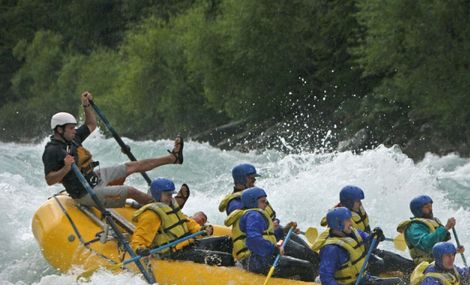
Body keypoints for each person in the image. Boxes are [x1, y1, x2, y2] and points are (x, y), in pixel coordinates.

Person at [43, 91, 184, 208]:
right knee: (130, 191)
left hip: (94, 178)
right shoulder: (52, 150)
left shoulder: (72, 138)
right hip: (85, 193)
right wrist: (66, 168)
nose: (75, 131)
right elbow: (49, 180)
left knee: (132, 166)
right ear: (59, 130)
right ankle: (164, 209)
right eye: (71, 128)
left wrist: (86, 105)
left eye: (74, 127)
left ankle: (173, 158)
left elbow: (91, 124)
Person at [219, 163, 318, 265]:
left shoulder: (255, 195)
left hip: (275, 235)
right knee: (304, 253)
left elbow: (269, 221)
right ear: (241, 179)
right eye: (252, 179)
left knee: (309, 252)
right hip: (262, 247)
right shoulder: (236, 204)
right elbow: (254, 233)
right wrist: (276, 229)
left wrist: (283, 228)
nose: (254, 181)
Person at [313, 185, 415, 276]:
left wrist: (376, 236)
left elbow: (365, 234)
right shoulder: (339, 221)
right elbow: (357, 245)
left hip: (366, 249)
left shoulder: (357, 212)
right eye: (358, 201)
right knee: (385, 261)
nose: (360, 204)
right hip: (356, 256)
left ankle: (414, 273)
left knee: (400, 261)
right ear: (349, 203)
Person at [131, 178, 233, 266]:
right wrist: (140, 249)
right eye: (167, 195)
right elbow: (140, 236)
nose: (170, 197)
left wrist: (200, 229)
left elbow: (185, 221)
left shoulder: (171, 206)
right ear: (157, 195)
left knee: (227, 241)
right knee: (226, 259)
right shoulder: (151, 215)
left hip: (187, 244)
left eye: (171, 194)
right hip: (173, 253)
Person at [226, 187, 316, 281]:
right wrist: (274, 249)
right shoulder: (253, 216)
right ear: (253, 202)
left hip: (259, 259)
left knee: (299, 261)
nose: (266, 204)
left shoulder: (253, 215)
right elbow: (253, 240)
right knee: (306, 267)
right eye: (263, 201)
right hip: (258, 262)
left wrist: (284, 230)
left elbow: (268, 236)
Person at [319, 207, 405, 285]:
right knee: (398, 284)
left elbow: (371, 244)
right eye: (347, 220)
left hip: (363, 278)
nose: (351, 223)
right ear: (338, 224)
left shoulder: (354, 233)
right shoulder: (331, 249)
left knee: (398, 283)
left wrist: (377, 236)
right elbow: (326, 277)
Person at [396, 195, 464, 264]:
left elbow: (439, 247)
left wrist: (454, 251)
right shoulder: (414, 227)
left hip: (438, 263)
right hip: (424, 265)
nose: (430, 209)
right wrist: (446, 228)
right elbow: (427, 244)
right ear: (418, 210)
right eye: (426, 207)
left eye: (430, 206)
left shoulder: (434, 222)